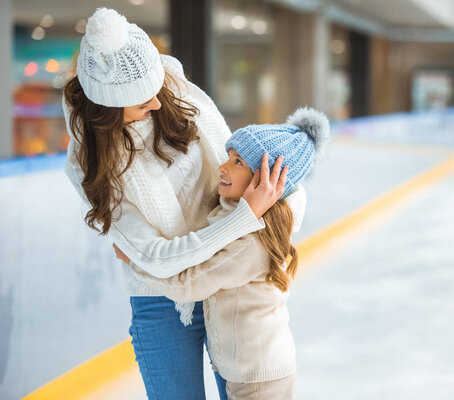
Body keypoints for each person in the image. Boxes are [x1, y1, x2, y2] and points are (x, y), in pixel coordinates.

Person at [61, 8, 304, 400]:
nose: (158, 104)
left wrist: (253, 216)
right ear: (107, 110)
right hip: (160, 297)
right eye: (143, 101)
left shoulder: (172, 85)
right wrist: (245, 218)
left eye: (157, 90)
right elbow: (158, 260)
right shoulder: (87, 163)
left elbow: (248, 167)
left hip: (226, 280)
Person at [114, 107, 329, 399]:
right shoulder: (230, 214)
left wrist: (137, 259)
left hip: (258, 377)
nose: (223, 167)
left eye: (238, 161)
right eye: (229, 156)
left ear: (264, 180)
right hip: (246, 370)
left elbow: (189, 285)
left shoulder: (252, 244)